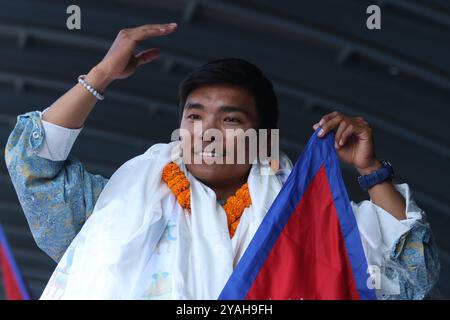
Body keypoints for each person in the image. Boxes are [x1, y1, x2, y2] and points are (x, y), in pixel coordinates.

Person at [4, 23, 439, 299]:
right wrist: (99, 77)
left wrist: (369, 169)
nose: (206, 130)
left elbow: (410, 275)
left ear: (262, 137)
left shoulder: (308, 220)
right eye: (194, 115)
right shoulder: (113, 207)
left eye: (230, 119)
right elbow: (31, 164)